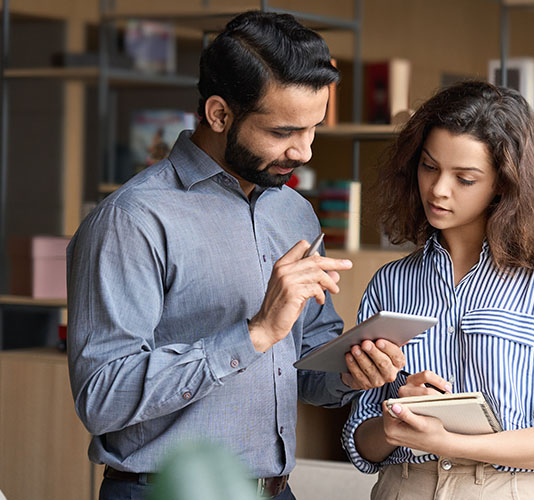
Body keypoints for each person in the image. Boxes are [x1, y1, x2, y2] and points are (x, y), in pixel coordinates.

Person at [67, 11, 405, 500]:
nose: (305, 152)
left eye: (312, 129)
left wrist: (353, 370)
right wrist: (255, 334)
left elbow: (307, 370)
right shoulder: (132, 220)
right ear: (220, 114)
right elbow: (101, 397)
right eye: (284, 132)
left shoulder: (295, 213)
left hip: (275, 489)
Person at [341, 81, 534, 499]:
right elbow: (362, 443)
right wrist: (394, 423)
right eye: (429, 167)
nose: (438, 189)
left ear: (503, 183)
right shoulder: (390, 284)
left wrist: (450, 444)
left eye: (464, 178)